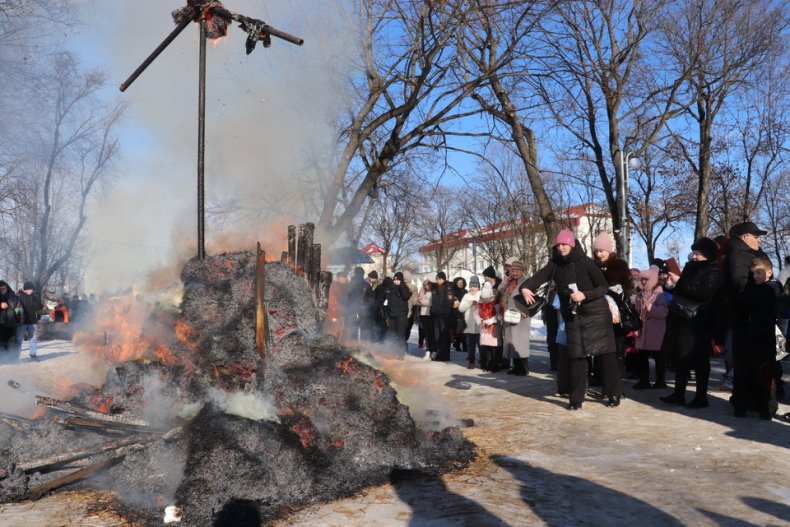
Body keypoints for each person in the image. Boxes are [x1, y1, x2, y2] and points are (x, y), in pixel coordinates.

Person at [522, 230, 620, 409]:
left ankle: (613, 393)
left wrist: (585, 294)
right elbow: (540, 276)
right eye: (558, 245)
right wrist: (526, 287)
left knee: (606, 354)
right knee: (576, 356)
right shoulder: (555, 263)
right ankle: (576, 400)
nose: (560, 248)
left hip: (596, 313)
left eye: (564, 244)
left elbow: (603, 287)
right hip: (573, 315)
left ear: (572, 244)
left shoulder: (587, 263)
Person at [659, 237, 723, 408]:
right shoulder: (689, 268)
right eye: (694, 253)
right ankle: (678, 393)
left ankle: (701, 396)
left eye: (698, 254)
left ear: (707, 254)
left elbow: (703, 292)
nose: (694, 256)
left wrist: (680, 282)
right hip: (681, 318)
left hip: (699, 322)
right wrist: (670, 285)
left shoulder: (714, 271)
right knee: (680, 357)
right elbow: (681, 291)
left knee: (699, 359)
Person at [723, 221, 768, 407]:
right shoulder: (739, 254)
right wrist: (759, 298)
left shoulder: (749, 253)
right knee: (744, 360)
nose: (759, 240)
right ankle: (744, 399)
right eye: (755, 236)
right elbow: (740, 283)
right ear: (744, 237)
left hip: (749, 314)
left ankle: (748, 398)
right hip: (745, 315)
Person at [736, 256, 780, 419]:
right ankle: (743, 405)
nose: (755, 276)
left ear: (768, 272)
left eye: (758, 273)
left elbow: (766, 310)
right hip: (750, 338)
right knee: (746, 373)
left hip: (765, 338)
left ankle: (764, 407)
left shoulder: (772, 289)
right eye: (752, 274)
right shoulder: (749, 289)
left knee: (764, 375)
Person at [591, 232, 631, 394]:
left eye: (602, 251)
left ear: (609, 250)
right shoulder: (592, 265)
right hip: (598, 315)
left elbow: (625, 288)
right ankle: (600, 378)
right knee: (600, 350)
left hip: (616, 317)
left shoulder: (619, 265)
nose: (599, 254)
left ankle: (616, 385)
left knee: (616, 352)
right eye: (597, 251)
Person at [632, 266, 669, 389]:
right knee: (642, 356)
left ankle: (660, 380)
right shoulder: (639, 294)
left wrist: (650, 307)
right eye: (642, 279)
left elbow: (664, 312)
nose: (643, 282)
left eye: (646, 279)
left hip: (656, 330)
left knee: (659, 357)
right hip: (643, 329)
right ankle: (644, 380)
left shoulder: (659, 294)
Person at [501, 260, 530, 376]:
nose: (515, 272)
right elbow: (501, 294)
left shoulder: (526, 282)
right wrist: (505, 281)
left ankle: (523, 368)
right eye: (513, 270)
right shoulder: (509, 282)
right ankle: (515, 366)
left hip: (521, 315)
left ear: (522, 271)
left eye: (517, 270)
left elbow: (531, 298)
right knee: (511, 341)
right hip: (510, 315)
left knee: (520, 343)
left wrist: (525, 311)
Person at [479, 266, 502, 371]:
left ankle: (496, 363)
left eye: (486, 276)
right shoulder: (484, 287)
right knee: (486, 344)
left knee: (495, 344)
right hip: (485, 317)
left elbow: (499, 309)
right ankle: (486, 362)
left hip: (494, 317)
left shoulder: (499, 286)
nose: (485, 278)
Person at [458, 275, 481, 369]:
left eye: (475, 286)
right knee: (471, 345)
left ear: (478, 287)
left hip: (480, 324)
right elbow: (460, 309)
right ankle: (471, 361)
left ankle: (483, 360)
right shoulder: (467, 296)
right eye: (471, 286)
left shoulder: (482, 294)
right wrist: (469, 303)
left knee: (481, 345)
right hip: (470, 325)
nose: (473, 288)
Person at [16, 281, 44, 361]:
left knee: (33, 339)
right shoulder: (19, 297)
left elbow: (39, 308)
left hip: (32, 322)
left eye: (32, 289)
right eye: (30, 289)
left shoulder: (34, 297)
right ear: (26, 289)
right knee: (19, 339)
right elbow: (15, 309)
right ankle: (15, 356)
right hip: (22, 322)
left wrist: (37, 300)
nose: (32, 291)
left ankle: (33, 355)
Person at [385, 272, 412, 352]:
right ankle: (393, 351)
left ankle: (400, 352)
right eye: (394, 279)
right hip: (392, 315)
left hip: (401, 316)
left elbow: (406, 296)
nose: (395, 281)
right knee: (393, 335)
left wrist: (401, 286)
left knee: (401, 335)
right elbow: (386, 298)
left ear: (401, 280)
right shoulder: (390, 288)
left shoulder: (404, 287)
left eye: (397, 280)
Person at [345, 267, 373, 341]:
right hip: (363, 310)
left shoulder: (349, 285)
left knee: (353, 329)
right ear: (363, 274)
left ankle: (353, 346)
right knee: (363, 330)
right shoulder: (367, 285)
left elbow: (345, 298)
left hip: (351, 310)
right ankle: (362, 348)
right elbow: (371, 300)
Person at [430, 272, 453, 361]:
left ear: (443, 279)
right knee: (437, 335)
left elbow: (449, 303)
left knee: (444, 336)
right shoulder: (435, 288)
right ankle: (439, 353)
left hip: (443, 316)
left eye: (439, 279)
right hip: (436, 315)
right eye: (437, 279)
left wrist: (445, 315)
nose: (438, 281)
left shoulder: (448, 288)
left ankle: (444, 355)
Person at [0, 280, 21, 357]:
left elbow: (19, 309)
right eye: (0, 288)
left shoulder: (14, 297)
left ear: (7, 287)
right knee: (1, 345)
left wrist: (19, 318)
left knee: (12, 344)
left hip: (12, 324)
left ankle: (12, 361)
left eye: (4, 288)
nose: (2, 290)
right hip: (1, 325)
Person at [324, 273, 347, 341]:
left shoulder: (342, 286)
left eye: (345, 278)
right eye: (343, 277)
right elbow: (332, 300)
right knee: (334, 330)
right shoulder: (335, 286)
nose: (345, 279)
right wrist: (333, 314)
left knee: (338, 330)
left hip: (339, 312)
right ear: (339, 278)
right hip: (334, 312)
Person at [417, 280, 435, 357]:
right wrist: (421, 301)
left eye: (427, 284)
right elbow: (418, 300)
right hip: (423, 314)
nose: (426, 286)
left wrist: (422, 302)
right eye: (424, 284)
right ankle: (428, 350)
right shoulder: (423, 291)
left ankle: (433, 349)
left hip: (430, 314)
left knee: (432, 333)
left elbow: (431, 303)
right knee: (426, 333)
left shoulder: (433, 292)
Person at [450, 277, 468, 354]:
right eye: (459, 282)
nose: (460, 284)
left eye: (462, 282)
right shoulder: (453, 291)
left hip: (465, 313)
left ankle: (463, 345)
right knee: (458, 330)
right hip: (455, 313)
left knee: (464, 330)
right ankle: (457, 344)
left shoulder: (466, 291)